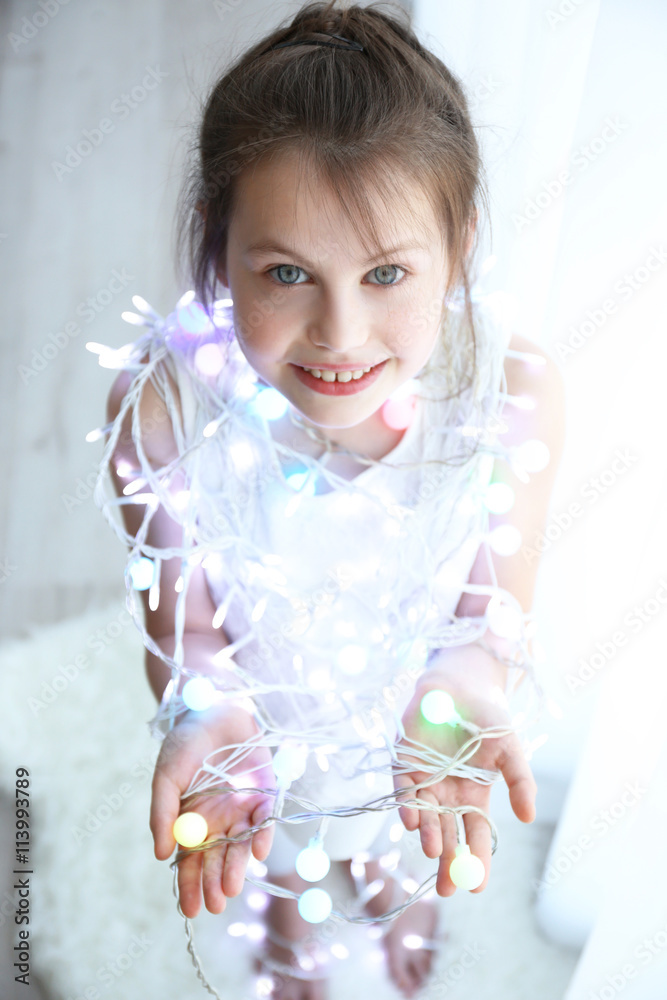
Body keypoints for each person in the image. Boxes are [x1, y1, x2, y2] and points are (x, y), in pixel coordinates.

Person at [93, 2, 566, 998]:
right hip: (265, 729)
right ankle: (291, 913)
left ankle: (394, 876)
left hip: (414, 716)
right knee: (291, 844)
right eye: (286, 274)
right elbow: (186, 639)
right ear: (219, 249)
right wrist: (207, 709)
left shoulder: (509, 390)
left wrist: (470, 672)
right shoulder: (165, 407)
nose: (339, 333)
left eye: (387, 271)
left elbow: (489, 613)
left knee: (402, 823)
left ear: (460, 244)